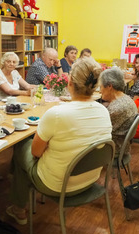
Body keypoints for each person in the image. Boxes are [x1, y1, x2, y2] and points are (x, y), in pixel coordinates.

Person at [6, 57, 112, 225]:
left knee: (21, 147)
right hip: (90, 179)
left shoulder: (57, 113)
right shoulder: (104, 111)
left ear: (69, 82)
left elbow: (35, 153)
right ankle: (19, 198)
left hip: (56, 185)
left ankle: (18, 205)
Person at [99, 68, 138, 155]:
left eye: (100, 87)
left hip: (114, 148)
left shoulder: (116, 109)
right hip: (122, 144)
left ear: (109, 86)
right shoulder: (126, 98)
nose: (100, 91)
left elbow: (99, 131)